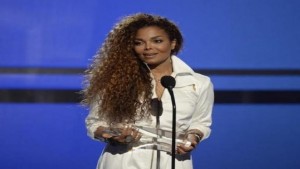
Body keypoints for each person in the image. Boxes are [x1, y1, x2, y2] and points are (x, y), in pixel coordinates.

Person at [82, 13, 214, 169]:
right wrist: (112, 134)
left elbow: (201, 122)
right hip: (124, 160)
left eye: (157, 41)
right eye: (139, 43)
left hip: (174, 161)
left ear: (173, 43)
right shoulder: (115, 80)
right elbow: (95, 123)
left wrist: (193, 137)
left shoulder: (199, 82)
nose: (148, 48)